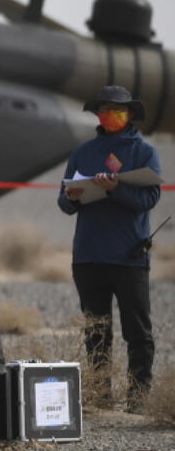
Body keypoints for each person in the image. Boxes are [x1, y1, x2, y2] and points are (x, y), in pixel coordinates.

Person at [58, 85, 163, 410]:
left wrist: (116, 189)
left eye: (117, 110)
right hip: (88, 257)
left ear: (130, 114)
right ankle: (99, 396)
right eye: (105, 109)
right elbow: (63, 203)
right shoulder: (83, 151)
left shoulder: (144, 152)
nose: (110, 115)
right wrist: (73, 197)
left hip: (129, 257)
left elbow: (149, 198)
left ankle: (138, 398)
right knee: (96, 332)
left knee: (138, 332)